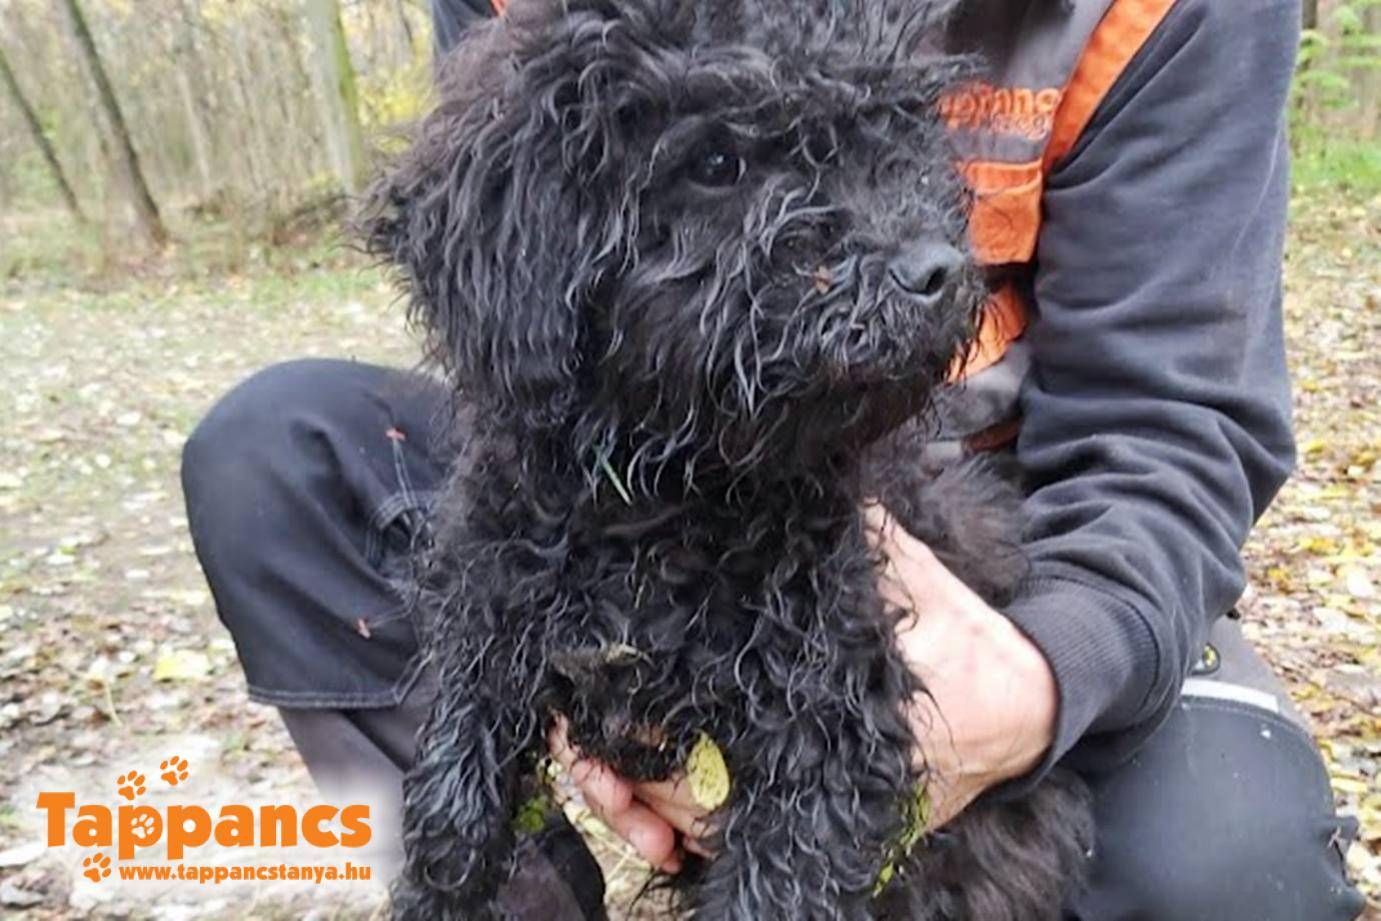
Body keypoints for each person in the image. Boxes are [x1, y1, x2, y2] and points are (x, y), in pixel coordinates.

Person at [180, 0, 1367, 918]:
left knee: (1231, 869)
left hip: (1007, 528)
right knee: (275, 457)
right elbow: (517, 279)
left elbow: (1174, 421)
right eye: (723, 169)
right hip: (623, 440)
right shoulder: (561, 80)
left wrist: (1040, 677)